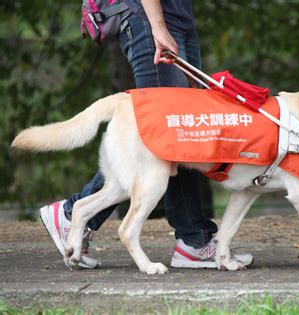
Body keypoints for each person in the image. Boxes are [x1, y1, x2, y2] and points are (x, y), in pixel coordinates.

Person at [39, 0, 252, 269]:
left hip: (178, 20)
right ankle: (74, 213)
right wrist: (158, 26)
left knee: (186, 134)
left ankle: (192, 239)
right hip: (150, 19)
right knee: (166, 136)